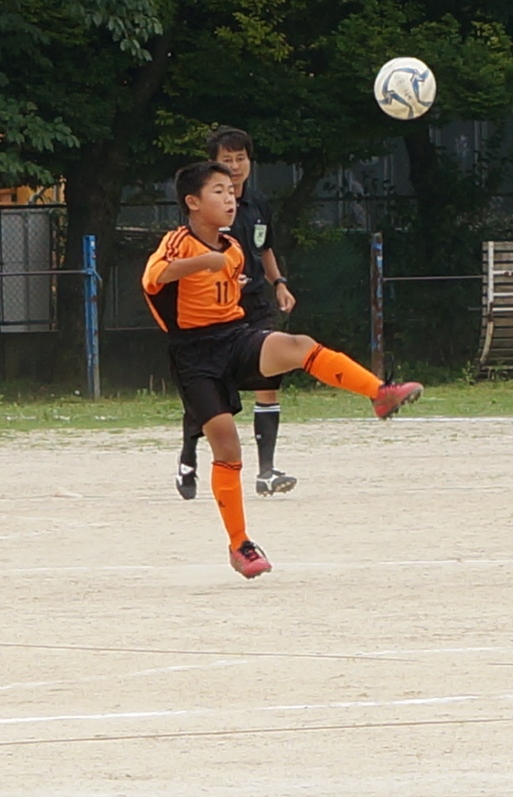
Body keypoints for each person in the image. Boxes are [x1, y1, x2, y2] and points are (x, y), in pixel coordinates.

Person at [144, 161, 422, 579]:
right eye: (218, 191)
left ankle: (379, 393)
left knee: (298, 345)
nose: (229, 198)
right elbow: (154, 277)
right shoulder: (178, 242)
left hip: (234, 338)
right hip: (193, 355)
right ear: (192, 202)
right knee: (227, 446)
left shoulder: (233, 248)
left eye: (231, 191)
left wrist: (231, 277)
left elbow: (226, 292)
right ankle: (240, 545)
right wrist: (202, 263)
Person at [175, 126, 297, 501]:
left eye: (240, 158)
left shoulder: (258, 204)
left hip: (254, 302)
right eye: (226, 160)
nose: (235, 166)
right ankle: (188, 456)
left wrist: (279, 282)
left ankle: (266, 470)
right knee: (211, 388)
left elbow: (265, 248)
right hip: (214, 306)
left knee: (269, 377)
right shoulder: (207, 206)